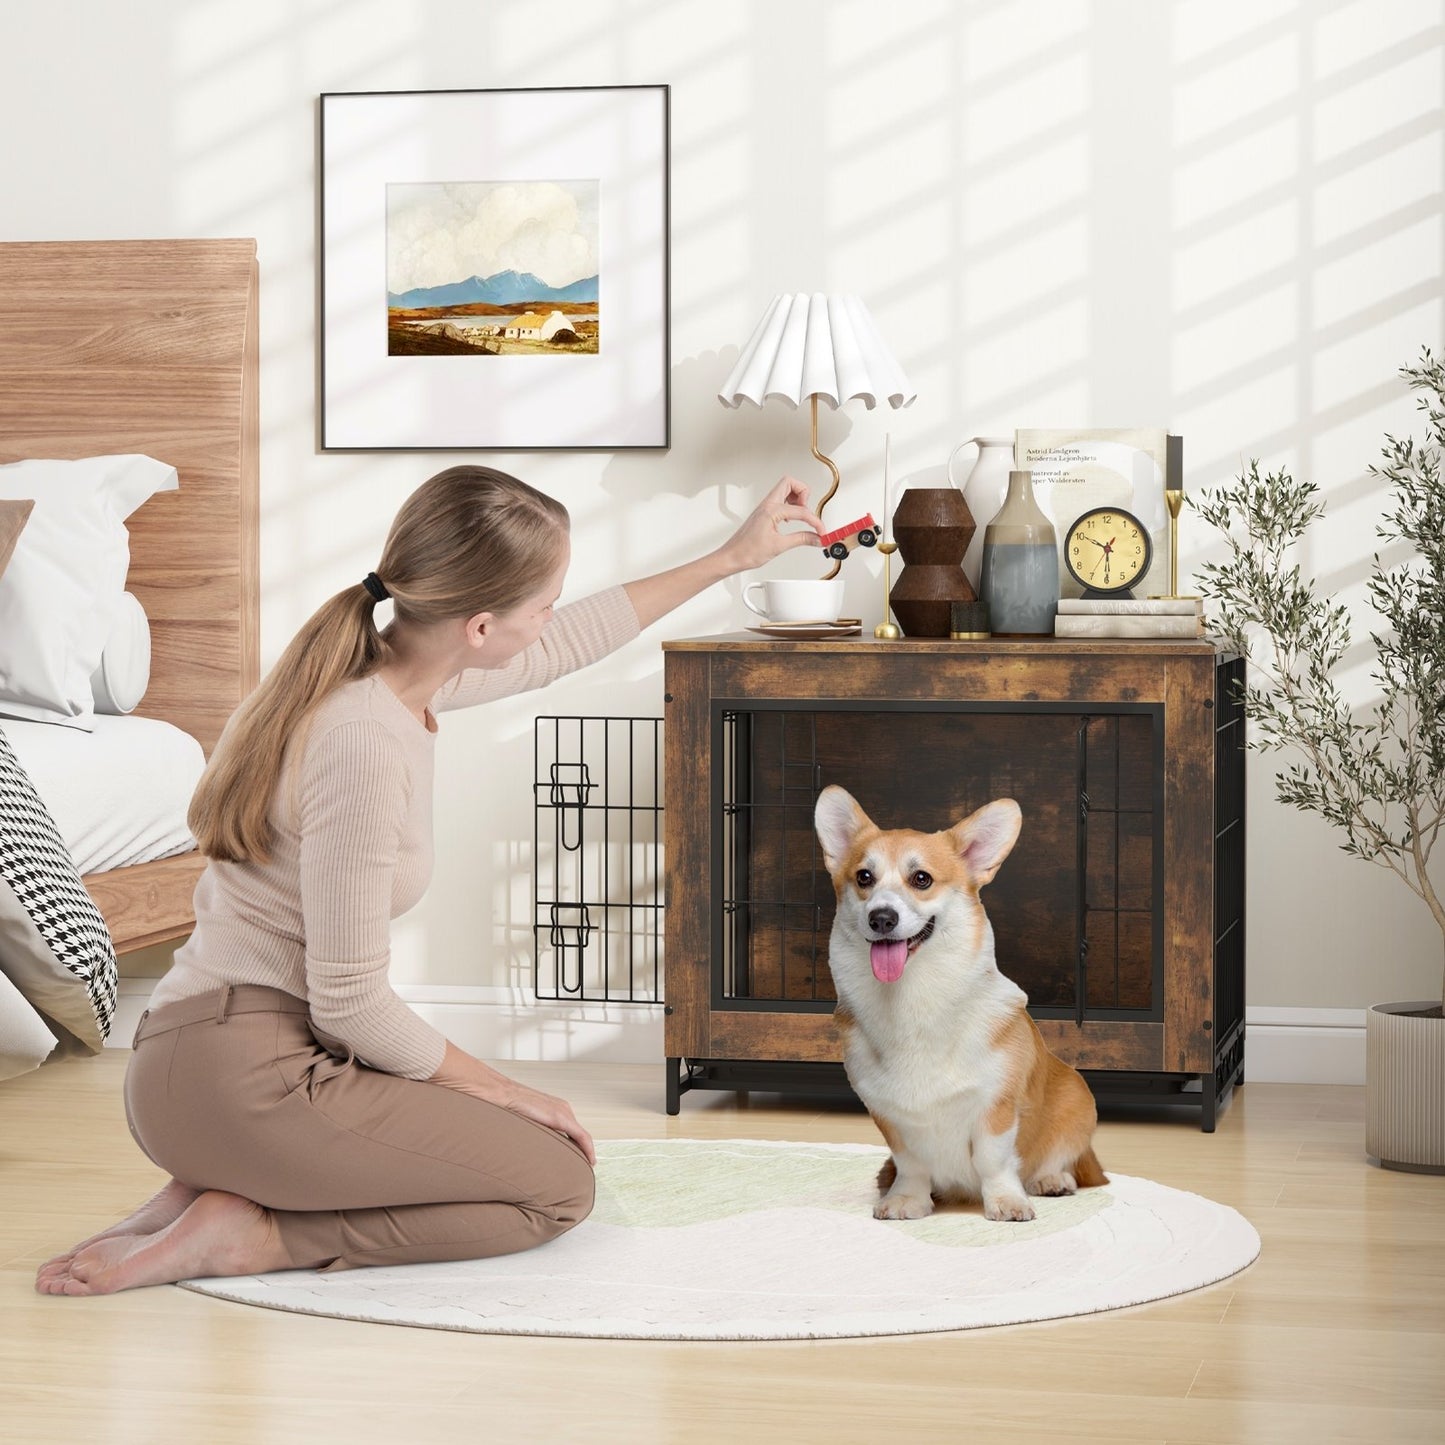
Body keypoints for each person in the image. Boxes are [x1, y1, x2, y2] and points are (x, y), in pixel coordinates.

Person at [36, 465, 824, 1296]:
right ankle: (253, 1233)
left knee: (512, 1141)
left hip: (201, 1065)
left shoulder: (367, 672)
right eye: (544, 600)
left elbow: (567, 641)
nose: (552, 616)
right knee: (557, 1184)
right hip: (246, 1078)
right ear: (480, 626)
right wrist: (509, 1088)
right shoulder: (363, 741)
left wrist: (731, 557)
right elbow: (351, 1001)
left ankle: (214, 1185)